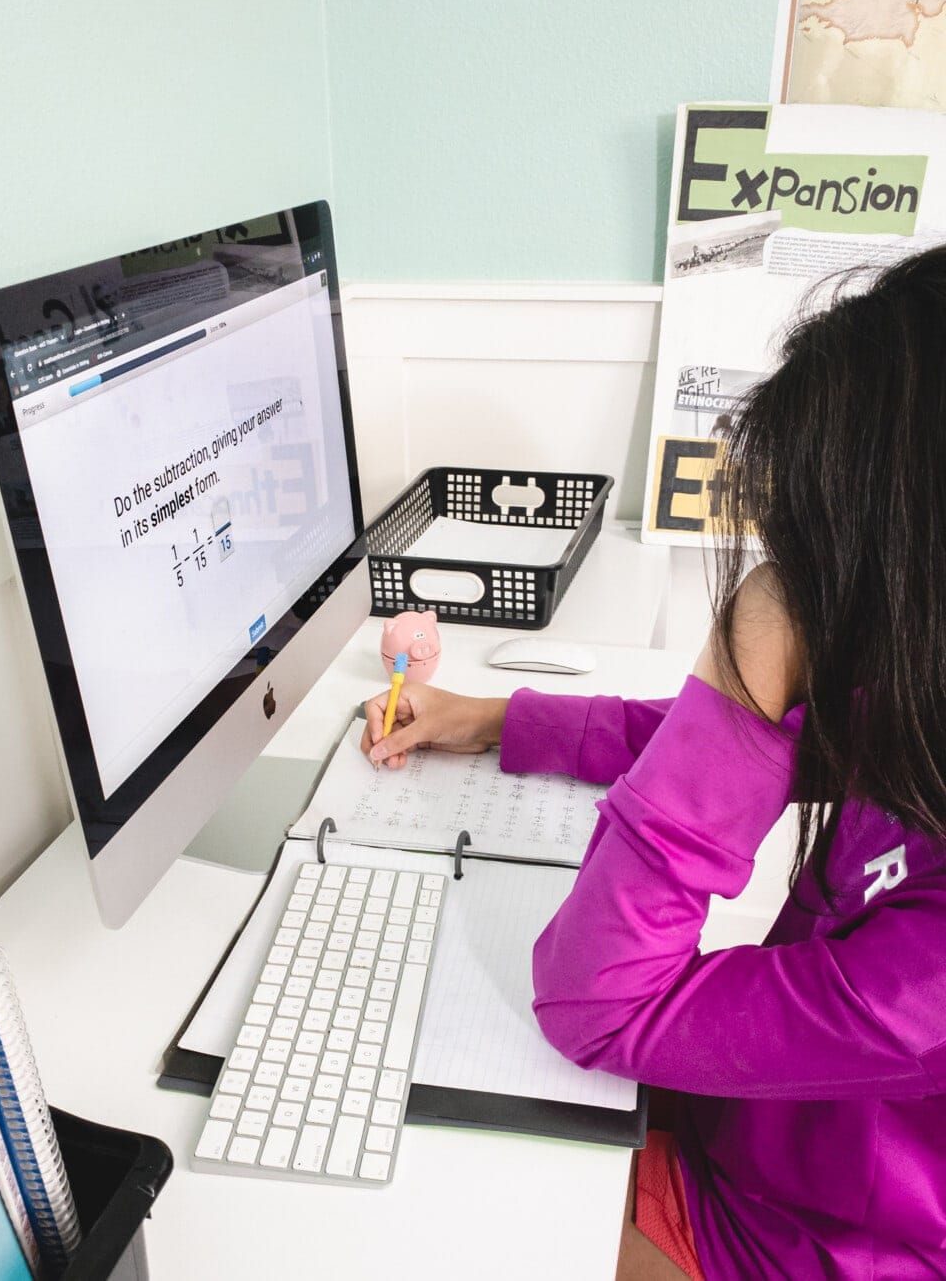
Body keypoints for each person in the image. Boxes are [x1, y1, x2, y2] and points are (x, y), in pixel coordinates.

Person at [360, 245, 946, 1279]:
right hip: (747, 1135)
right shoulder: (920, 713)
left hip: (784, 1244)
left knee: (404, 1209)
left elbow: (601, 1003)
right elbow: (721, 754)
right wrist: (502, 718)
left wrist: (744, 644)